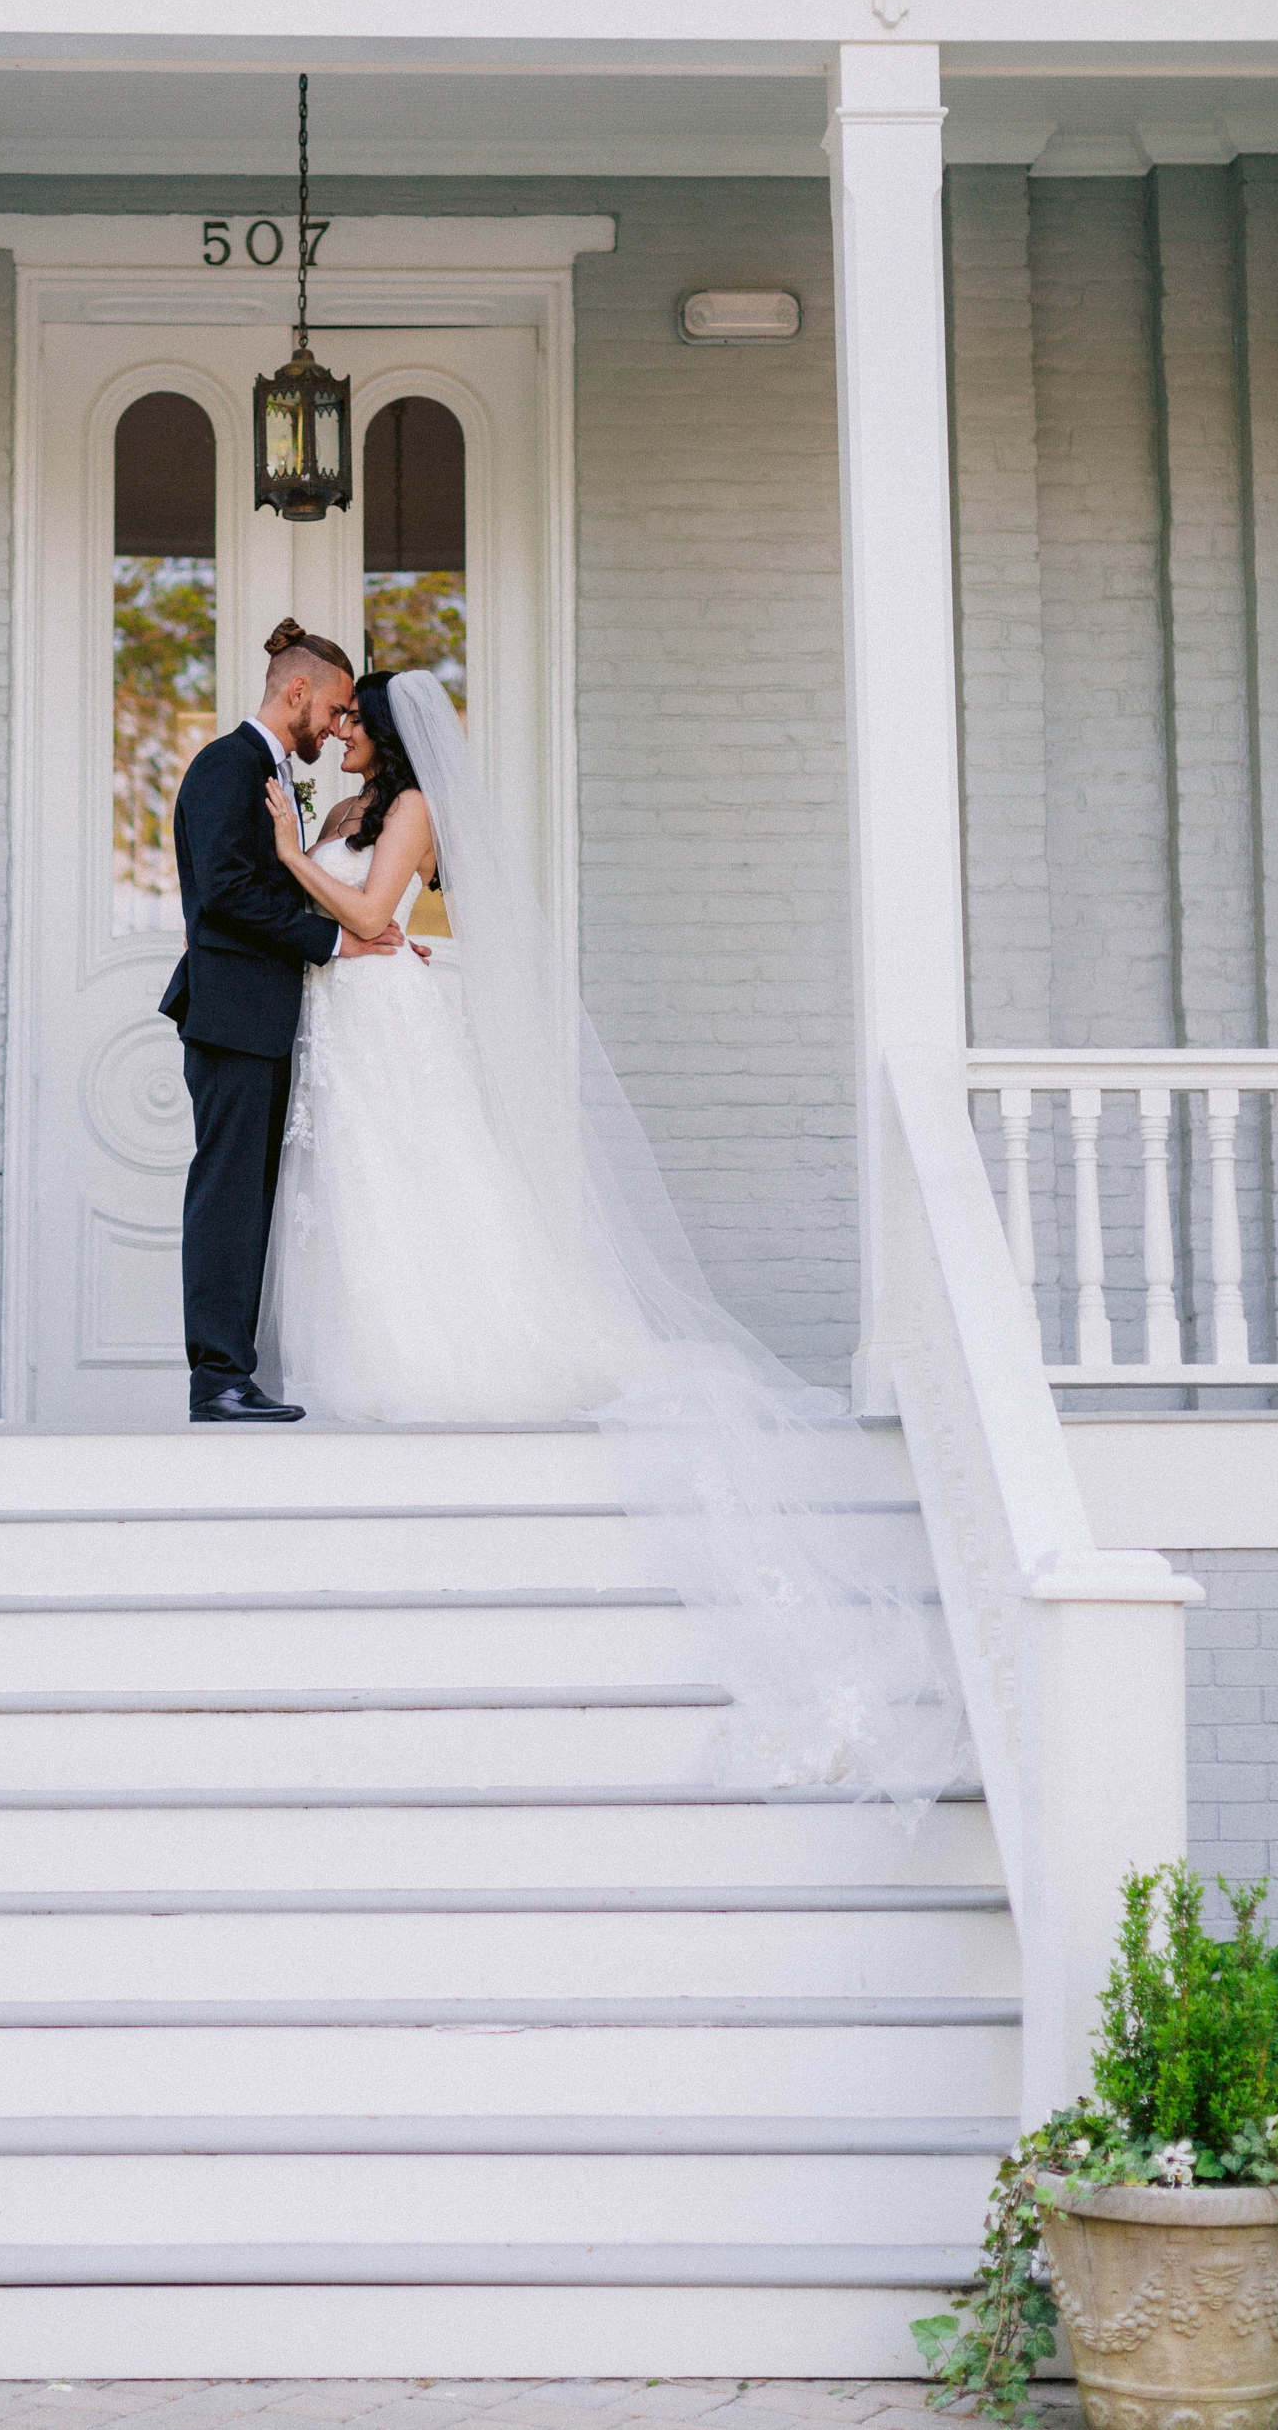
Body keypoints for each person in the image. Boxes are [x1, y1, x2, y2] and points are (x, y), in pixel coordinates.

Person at [254, 665, 966, 1800]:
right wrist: (310, 861)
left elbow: (376, 917)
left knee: (425, 1186)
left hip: (390, 1021)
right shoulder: (340, 808)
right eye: (328, 713)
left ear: (377, 732)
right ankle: (369, 1351)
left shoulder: (407, 811)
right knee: (358, 1198)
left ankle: (452, 1353)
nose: (333, 729)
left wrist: (298, 866)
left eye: (348, 717)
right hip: (344, 1024)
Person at [159, 617, 405, 1423]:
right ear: (295, 691)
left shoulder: (264, 774)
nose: (338, 727)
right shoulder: (226, 767)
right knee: (227, 1200)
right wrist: (339, 939)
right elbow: (229, 896)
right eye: (334, 709)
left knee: (251, 1200)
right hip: (232, 1016)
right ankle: (218, 1380)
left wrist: (373, 934)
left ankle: (235, 1372)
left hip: (263, 1018)